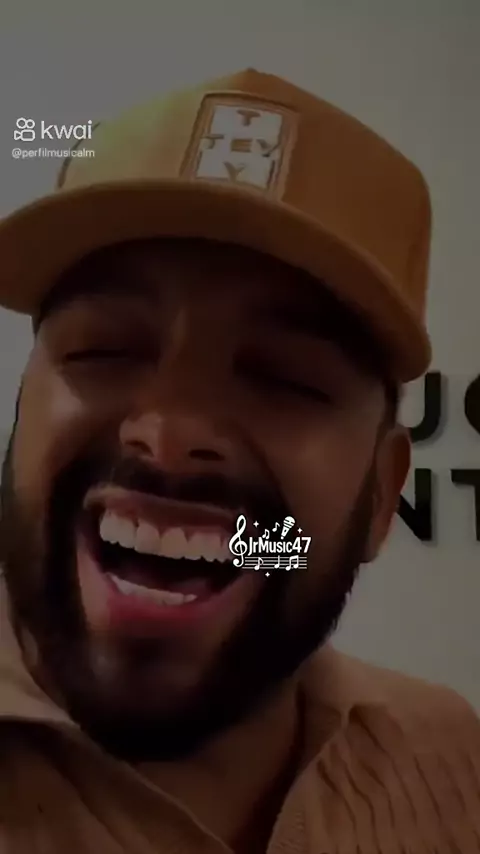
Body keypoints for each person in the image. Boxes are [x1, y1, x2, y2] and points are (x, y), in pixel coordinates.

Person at [0, 68, 479, 854]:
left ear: (381, 496)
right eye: (103, 349)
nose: (169, 434)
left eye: (286, 379)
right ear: (22, 413)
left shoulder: (452, 754)